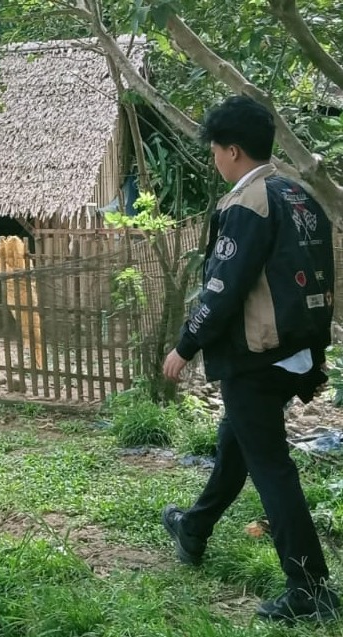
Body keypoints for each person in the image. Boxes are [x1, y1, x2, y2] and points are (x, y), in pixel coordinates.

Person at [160, 96, 338, 622]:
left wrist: (184, 346)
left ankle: (310, 589)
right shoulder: (300, 195)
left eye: (215, 149)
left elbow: (221, 288)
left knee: (272, 468)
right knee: (235, 445)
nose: (215, 157)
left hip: (254, 359)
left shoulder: (248, 202)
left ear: (231, 150)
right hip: (295, 351)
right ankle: (192, 528)